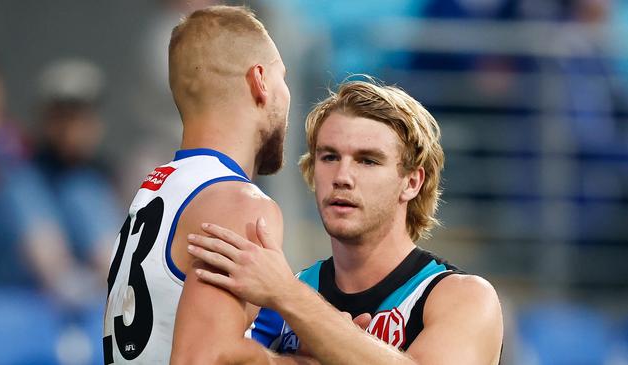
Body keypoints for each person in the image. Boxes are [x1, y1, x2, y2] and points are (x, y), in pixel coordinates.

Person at [187, 79, 504, 364]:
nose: (342, 177)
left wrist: (289, 297)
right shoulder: (275, 297)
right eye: (329, 157)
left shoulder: (464, 298)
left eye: (367, 160)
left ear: (411, 182)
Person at [101, 5, 313, 364]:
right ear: (259, 80)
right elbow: (204, 358)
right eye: (283, 78)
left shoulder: (154, 191)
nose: (287, 94)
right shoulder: (237, 203)